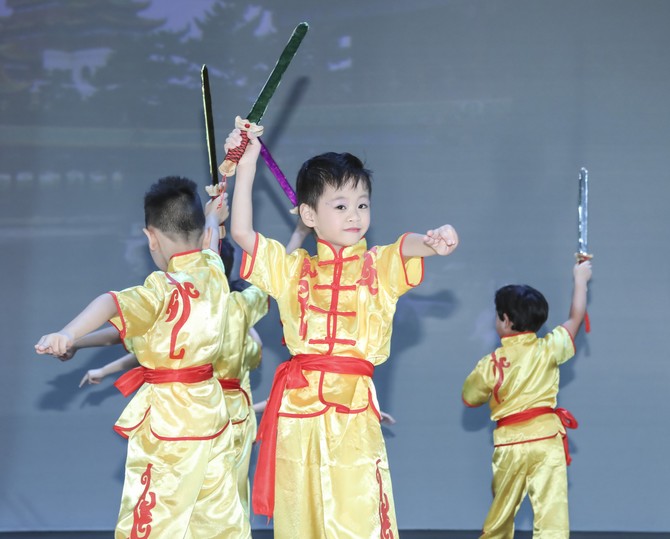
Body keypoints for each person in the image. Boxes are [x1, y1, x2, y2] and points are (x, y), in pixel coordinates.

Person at [226, 127, 459, 538]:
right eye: (341, 205)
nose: (355, 215)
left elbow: (409, 246)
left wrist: (437, 239)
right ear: (309, 215)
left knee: (358, 518)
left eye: (362, 204)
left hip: (354, 414)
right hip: (299, 415)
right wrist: (247, 165)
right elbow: (242, 235)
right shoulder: (292, 268)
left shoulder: (377, 266)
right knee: (300, 519)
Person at [35, 177, 251, 538]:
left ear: (151, 237)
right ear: (199, 233)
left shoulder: (162, 288)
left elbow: (110, 303)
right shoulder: (214, 271)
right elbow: (209, 239)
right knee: (216, 520)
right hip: (213, 417)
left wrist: (69, 332)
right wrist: (213, 217)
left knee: (155, 518)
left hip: (170, 420)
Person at [462, 260, 593, 539]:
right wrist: (580, 279)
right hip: (547, 440)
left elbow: (470, 397)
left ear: (506, 320)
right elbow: (576, 318)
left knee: (501, 513)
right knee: (553, 512)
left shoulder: (492, 363)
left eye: (498, 316)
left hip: (511, 445)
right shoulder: (549, 348)